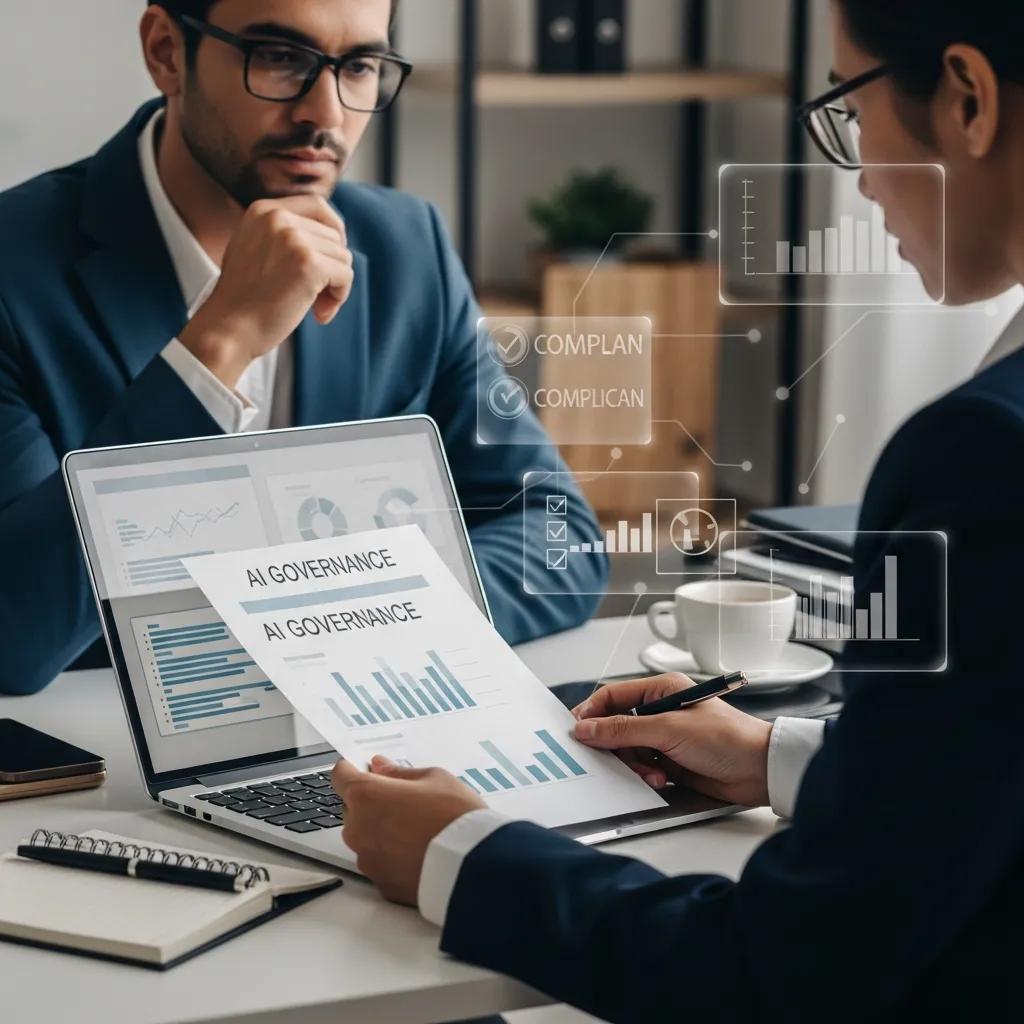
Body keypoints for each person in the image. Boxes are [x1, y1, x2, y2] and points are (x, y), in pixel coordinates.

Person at [331, 1, 1024, 1019]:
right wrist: (774, 756)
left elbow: (790, 975)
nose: (861, 173)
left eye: (848, 104)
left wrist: (460, 853)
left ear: (965, 97)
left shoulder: (980, 454)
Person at [0, 0, 606, 697]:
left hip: (376, 738)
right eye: (281, 58)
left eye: (360, 66)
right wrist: (215, 347)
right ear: (168, 52)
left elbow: (560, 541)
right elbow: (16, 635)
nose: (326, 112)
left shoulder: (409, 249)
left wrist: (317, 625)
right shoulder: (14, 269)